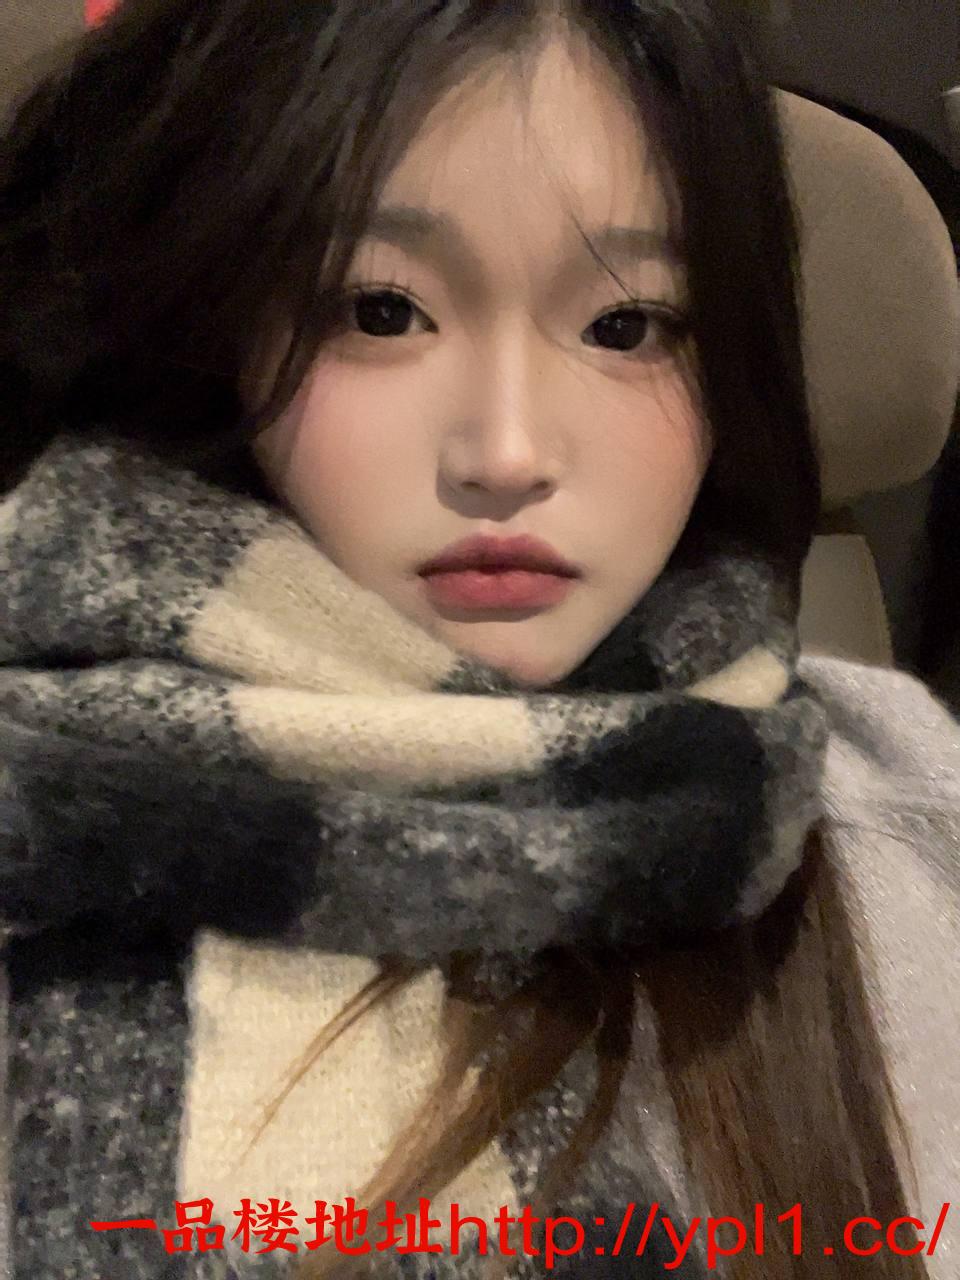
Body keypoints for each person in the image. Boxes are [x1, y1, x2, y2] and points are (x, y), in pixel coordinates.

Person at [0, 1, 957, 1278]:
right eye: (380, 310)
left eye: (627, 325)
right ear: (215, 328)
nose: (506, 452)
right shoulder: (41, 794)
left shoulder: (896, 807)